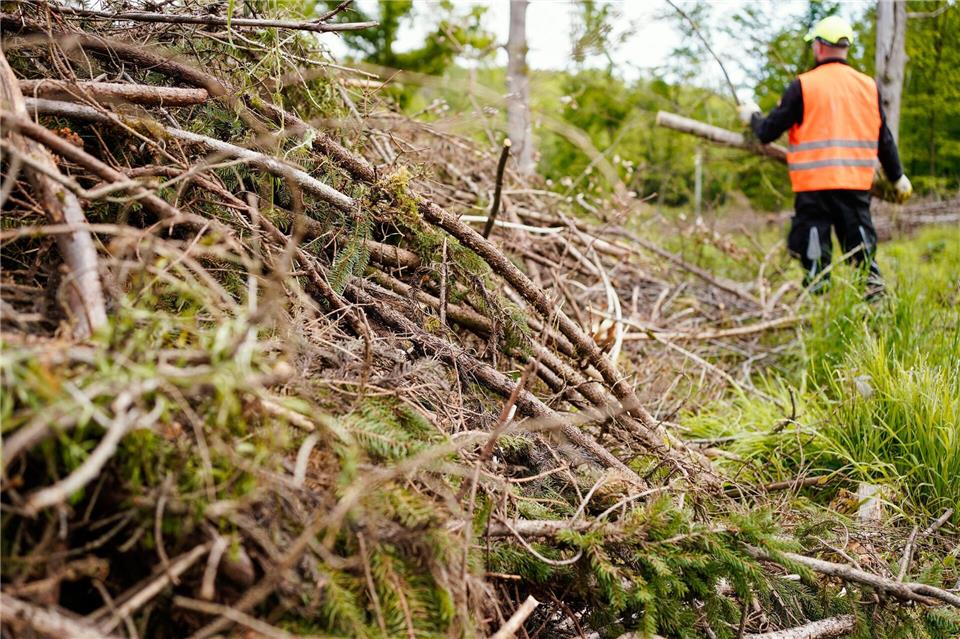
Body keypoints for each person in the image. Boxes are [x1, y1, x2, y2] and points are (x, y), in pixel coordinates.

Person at [738, 15, 912, 297]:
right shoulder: (867, 86)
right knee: (862, 255)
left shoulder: (804, 85)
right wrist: (897, 176)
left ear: (819, 46)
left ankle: (818, 310)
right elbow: (884, 138)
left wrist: (752, 117)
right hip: (854, 186)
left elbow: (768, 132)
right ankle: (875, 309)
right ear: (846, 47)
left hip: (814, 188)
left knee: (814, 257)